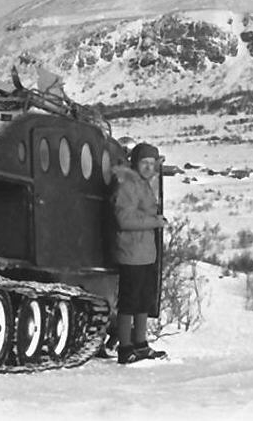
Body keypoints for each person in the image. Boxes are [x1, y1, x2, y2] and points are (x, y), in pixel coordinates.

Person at [110, 141, 168, 364]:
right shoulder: (128, 184)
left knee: (143, 299)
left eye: (151, 164)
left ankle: (140, 344)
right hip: (131, 250)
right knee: (130, 300)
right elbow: (124, 219)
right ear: (135, 163)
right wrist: (155, 222)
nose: (148, 167)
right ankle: (125, 348)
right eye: (144, 162)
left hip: (144, 252)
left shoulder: (142, 184)